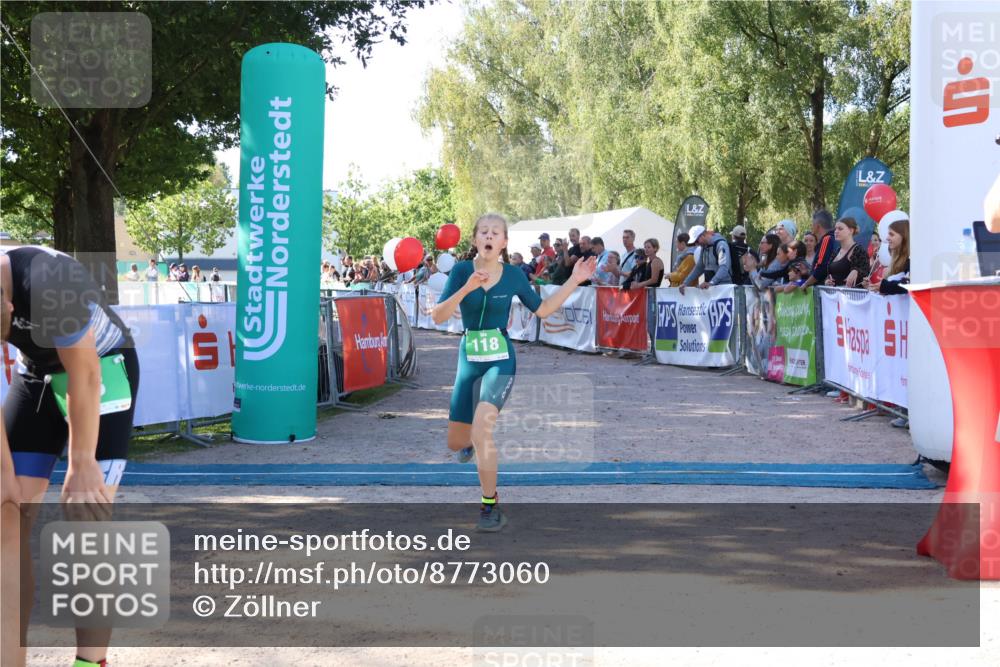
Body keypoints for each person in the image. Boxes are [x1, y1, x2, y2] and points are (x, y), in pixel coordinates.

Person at [1, 246, 140, 667]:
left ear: (6, 303)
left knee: (86, 516)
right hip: (37, 375)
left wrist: (82, 463)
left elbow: (85, 374)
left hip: (103, 365)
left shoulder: (47, 279)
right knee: (7, 515)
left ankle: (89, 662)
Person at [432, 213, 596, 531]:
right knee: (456, 442)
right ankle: (468, 442)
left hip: (500, 360)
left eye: (496, 232)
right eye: (483, 231)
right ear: (476, 240)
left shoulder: (514, 276)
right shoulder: (462, 271)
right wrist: (466, 288)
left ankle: (489, 506)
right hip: (469, 359)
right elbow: (439, 316)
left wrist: (574, 280)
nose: (489, 236)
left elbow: (543, 310)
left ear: (504, 242)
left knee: (482, 431)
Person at [681, 226, 733, 292]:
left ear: (702, 235)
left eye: (697, 241)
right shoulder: (704, 247)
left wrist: (711, 283)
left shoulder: (721, 244)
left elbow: (724, 267)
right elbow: (699, 267)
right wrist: (685, 283)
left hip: (724, 288)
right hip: (712, 288)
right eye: (695, 243)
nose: (697, 244)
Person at [866, 219, 910, 295]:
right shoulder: (895, 260)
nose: (887, 238)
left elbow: (909, 284)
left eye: (891, 234)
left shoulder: (911, 261)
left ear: (904, 236)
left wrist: (884, 286)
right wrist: (874, 287)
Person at [799, 209, 839, 292]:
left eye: (812, 224)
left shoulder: (826, 239)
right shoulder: (834, 238)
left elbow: (821, 268)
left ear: (817, 226)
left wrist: (806, 284)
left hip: (824, 291)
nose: (811, 226)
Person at [824, 217, 870, 288]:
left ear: (851, 231)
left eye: (840, 229)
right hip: (833, 296)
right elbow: (830, 274)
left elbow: (865, 273)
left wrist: (856, 271)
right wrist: (827, 281)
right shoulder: (836, 251)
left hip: (851, 297)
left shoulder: (859, 251)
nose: (836, 231)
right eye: (835, 228)